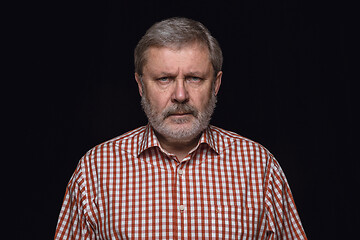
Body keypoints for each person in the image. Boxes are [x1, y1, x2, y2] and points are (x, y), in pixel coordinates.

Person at [55, 17, 307, 239]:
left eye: (194, 78)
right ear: (141, 85)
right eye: (164, 79)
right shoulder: (95, 170)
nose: (180, 95)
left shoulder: (258, 167)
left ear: (216, 84)